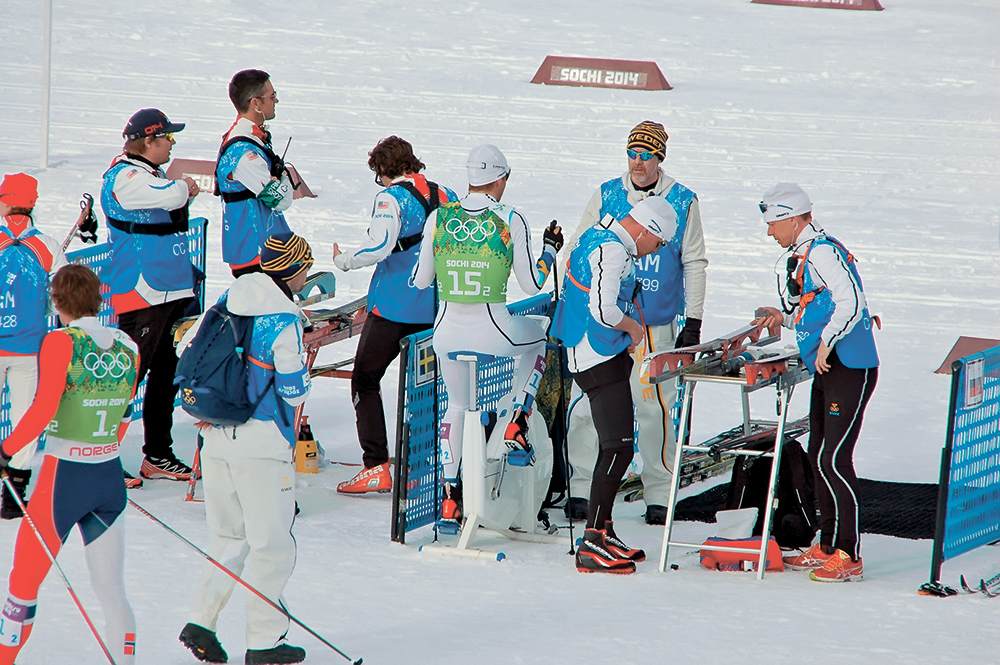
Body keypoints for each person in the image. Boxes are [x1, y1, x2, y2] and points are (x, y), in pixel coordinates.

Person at [562, 120, 708, 526]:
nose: (637, 163)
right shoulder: (608, 193)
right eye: (632, 154)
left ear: (660, 158)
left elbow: (694, 262)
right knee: (587, 410)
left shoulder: (683, 200)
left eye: (646, 155)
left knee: (655, 410)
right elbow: (576, 246)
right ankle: (580, 487)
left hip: (655, 324)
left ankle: (659, 493)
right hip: (603, 324)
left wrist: (692, 320)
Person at [178, 232, 313, 665]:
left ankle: (202, 619)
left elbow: (187, 348)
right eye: (304, 268)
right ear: (291, 271)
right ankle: (265, 641)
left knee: (228, 536)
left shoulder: (226, 299)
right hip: (263, 441)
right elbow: (292, 392)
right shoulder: (284, 318)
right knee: (272, 544)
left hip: (216, 434)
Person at [412, 144, 563, 526]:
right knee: (540, 336)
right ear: (500, 178)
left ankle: (449, 497)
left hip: (445, 334)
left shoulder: (440, 216)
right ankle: (517, 418)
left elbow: (420, 280)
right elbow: (533, 285)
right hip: (495, 331)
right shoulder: (510, 217)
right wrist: (549, 249)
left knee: (458, 406)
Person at [0, 264, 140, 665]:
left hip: (63, 480)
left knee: (22, 585)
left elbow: (43, 408)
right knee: (111, 591)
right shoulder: (127, 344)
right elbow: (125, 412)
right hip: (108, 477)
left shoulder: (60, 341)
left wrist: (6, 451)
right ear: (99, 297)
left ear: (56, 301)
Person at [753, 182, 879, 583]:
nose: (770, 232)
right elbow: (815, 309)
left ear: (792, 219)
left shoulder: (822, 251)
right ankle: (826, 545)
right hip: (829, 366)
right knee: (816, 455)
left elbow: (851, 301)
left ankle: (849, 553)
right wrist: (784, 318)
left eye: (773, 224)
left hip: (848, 365)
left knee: (834, 459)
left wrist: (826, 342)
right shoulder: (805, 254)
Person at [552, 196, 676, 574]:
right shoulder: (613, 250)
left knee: (617, 447)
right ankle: (592, 540)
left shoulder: (599, 235)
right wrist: (633, 328)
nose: (655, 250)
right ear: (648, 229)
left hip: (591, 351)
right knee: (618, 448)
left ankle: (603, 530)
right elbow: (603, 310)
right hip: (595, 354)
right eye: (658, 243)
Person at [332, 136, 458, 495]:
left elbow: (379, 246)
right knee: (428, 387)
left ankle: (376, 466)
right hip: (437, 306)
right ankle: (423, 466)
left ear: (383, 171)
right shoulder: (446, 193)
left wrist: (344, 260)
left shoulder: (390, 197)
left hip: (395, 305)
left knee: (365, 380)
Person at [101, 108, 200, 483]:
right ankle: (102, 457)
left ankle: (157, 454)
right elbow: (171, 195)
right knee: (127, 376)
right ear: (148, 140)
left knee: (165, 375)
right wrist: (184, 189)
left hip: (169, 287)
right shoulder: (126, 176)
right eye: (168, 137)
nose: (173, 143)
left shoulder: (148, 173)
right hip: (143, 290)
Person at [0, 173, 68, 518]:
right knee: (26, 419)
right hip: (29, 347)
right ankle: (15, 493)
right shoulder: (46, 245)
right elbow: (63, 300)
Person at [217, 69, 295, 277]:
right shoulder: (244, 152)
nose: (276, 101)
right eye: (272, 96)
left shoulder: (252, 137)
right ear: (256, 103)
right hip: (254, 253)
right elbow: (281, 200)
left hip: (264, 250)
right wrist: (284, 178)